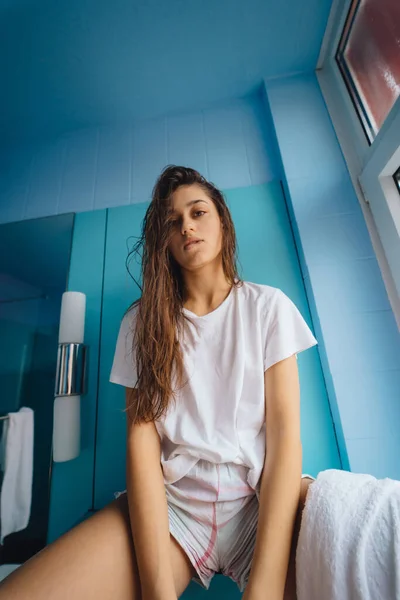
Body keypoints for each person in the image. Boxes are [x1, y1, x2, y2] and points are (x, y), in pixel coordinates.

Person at [0, 166, 317, 600]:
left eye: (198, 212)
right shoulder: (140, 323)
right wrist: (157, 594)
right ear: (165, 241)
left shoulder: (269, 307)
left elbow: (284, 439)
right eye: (173, 221)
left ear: (222, 219)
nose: (186, 225)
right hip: (176, 510)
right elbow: (142, 446)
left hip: (257, 501)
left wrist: (264, 587)